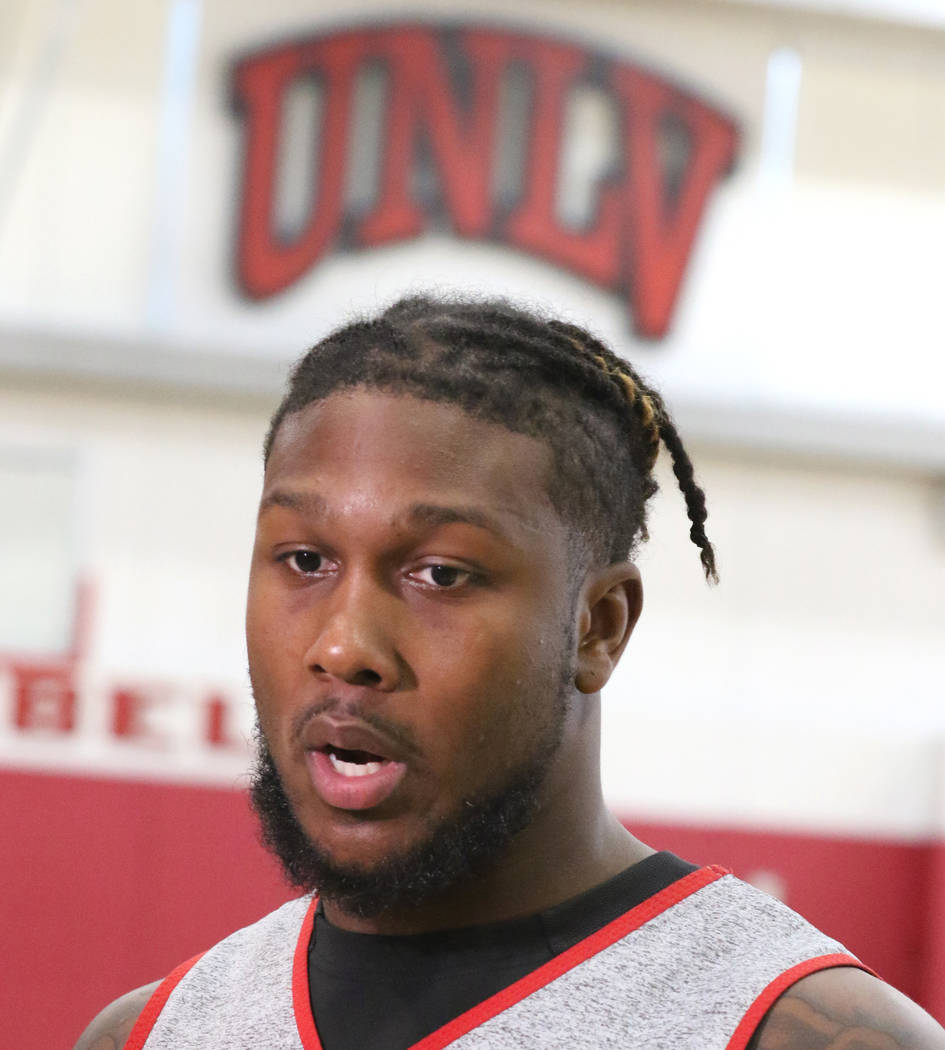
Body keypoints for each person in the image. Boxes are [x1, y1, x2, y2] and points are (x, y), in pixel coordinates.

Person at [74, 297, 945, 1050]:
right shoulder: (154, 1033)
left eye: (441, 574)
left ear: (597, 627)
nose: (343, 647)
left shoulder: (799, 1032)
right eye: (304, 559)